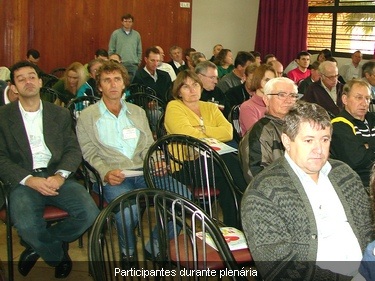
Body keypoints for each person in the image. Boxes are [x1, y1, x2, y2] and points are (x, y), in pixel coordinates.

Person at [241, 101, 373, 280]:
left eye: (324, 140)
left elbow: (368, 230)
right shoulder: (264, 192)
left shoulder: (345, 175)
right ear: (287, 141)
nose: (318, 150)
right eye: (309, 140)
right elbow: (279, 268)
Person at [76, 60, 189, 260]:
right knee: (129, 212)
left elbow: (148, 147)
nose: (112, 85)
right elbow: (89, 152)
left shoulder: (137, 112)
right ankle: (127, 252)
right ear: (99, 86)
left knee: (183, 197)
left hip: (143, 170)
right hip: (113, 175)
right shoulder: (87, 116)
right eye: (107, 80)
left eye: (117, 79)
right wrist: (105, 172)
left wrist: (157, 162)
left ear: (124, 84)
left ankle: (156, 243)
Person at [0, 61, 99, 278]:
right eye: (21, 78)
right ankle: (56, 254)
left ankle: (38, 247)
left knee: (89, 213)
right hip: (23, 180)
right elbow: (1, 158)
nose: (28, 81)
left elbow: (73, 150)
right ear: (14, 87)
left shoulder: (59, 113)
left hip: (56, 176)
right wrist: (27, 179)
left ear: (40, 82)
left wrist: (61, 175)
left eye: (32, 76)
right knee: (26, 224)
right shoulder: (3, 117)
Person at [164, 70, 247, 227]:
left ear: (201, 87)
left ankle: (234, 228)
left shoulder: (209, 107)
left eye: (195, 85)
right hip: (184, 165)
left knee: (229, 182)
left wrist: (200, 128)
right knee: (232, 167)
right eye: (186, 87)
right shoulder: (174, 106)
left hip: (213, 163)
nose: (192, 90)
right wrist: (208, 130)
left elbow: (228, 132)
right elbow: (187, 134)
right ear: (178, 92)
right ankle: (250, 206)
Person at [239, 77, 298, 184]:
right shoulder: (260, 132)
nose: (288, 100)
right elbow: (256, 175)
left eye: (293, 96)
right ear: (266, 100)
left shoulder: (302, 127)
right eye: (281, 95)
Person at [330, 79, 375, 189]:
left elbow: (365, 155)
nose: (364, 103)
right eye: (359, 97)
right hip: (358, 185)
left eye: (367, 98)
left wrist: (367, 146)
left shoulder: (372, 118)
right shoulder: (338, 124)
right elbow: (356, 160)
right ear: (345, 99)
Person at [239, 64, 276, 135]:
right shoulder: (247, 107)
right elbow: (259, 135)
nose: (270, 84)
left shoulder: (276, 104)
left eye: (272, 81)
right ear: (257, 80)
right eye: (266, 80)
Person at [108, 14, 142, 81]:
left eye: (129, 21)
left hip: (133, 65)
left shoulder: (136, 35)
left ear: (132, 23)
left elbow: (139, 50)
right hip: (119, 64)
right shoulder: (116, 34)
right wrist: (113, 62)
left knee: (132, 85)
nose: (127, 23)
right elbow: (111, 49)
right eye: (125, 21)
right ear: (122, 22)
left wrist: (138, 62)